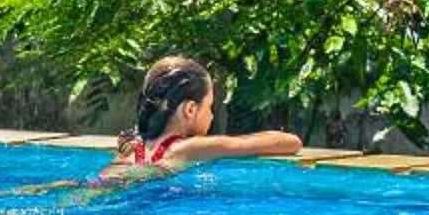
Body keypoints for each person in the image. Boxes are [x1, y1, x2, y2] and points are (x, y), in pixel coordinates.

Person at [102, 56, 304, 180]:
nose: (212, 115)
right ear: (190, 109)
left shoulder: (132, 153)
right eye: (209, 107)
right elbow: (291, 142)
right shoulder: (189, 148)